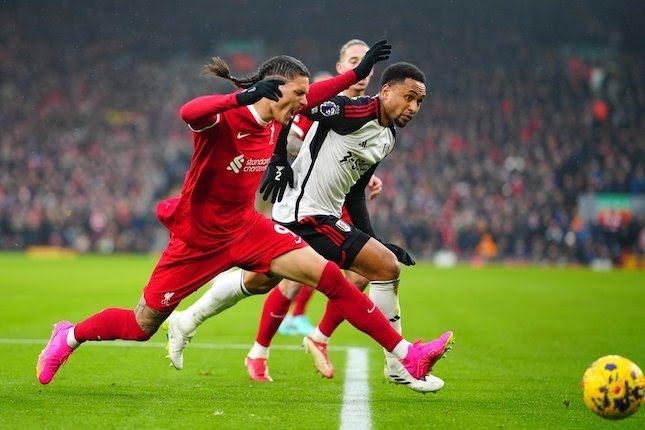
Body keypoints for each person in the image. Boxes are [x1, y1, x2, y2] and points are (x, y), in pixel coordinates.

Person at [36, 41, 452, 390]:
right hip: (197, 241)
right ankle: (68, 336)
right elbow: (189, 112)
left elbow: (324, 95)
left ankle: (407, 357)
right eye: (299, 96)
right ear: (274, 93)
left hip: (247, 228)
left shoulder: (278, 119)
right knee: (141, 325)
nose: (306, 104)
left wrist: (357, 72)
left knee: (328, 277)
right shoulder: (228, 118)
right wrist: (241, 96)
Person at [164, 60, 454, 393]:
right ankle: (398, 363)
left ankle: (187, 320)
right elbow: (296, 109)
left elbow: (356, 192)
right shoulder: (350, 111)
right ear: (386, 91)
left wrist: (373, 238)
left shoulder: (386, 137)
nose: (413, 107)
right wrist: (278, 159)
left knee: (259, 282)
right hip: (304, 215)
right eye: (408, 97)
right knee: (382, 268)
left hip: (321, 216)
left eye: (419, 102)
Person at [278, 40, 383, 337]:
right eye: (353, 61)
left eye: (366, 62)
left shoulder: (369, 108)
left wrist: (364, 175)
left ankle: (316, 334)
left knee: (361, 273)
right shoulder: (325, 104)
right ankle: (265, 345)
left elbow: (353, 156)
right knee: (278, 276)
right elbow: (290, 137)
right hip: (303, 199)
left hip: (337, 202)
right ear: (341, 67)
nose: (360, 68)